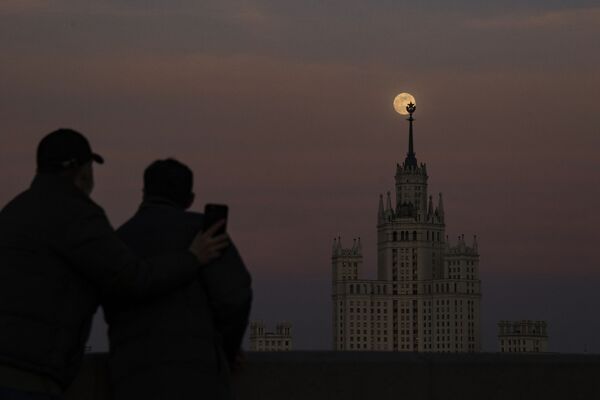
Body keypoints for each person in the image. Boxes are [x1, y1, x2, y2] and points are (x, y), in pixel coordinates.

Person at [0, 130, 229, 400]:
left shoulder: (12, 212)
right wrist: (192, 258)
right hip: (28, 379)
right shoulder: (79, 216)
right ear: (82, 172)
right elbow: (132, 278)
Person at [104, 159, 252, 400]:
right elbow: (234, 298)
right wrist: (226, 349)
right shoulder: (204, 234)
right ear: (190, 199)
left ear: (144, 193)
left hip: (132, 378)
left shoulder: (117, 240)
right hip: (197, 378)